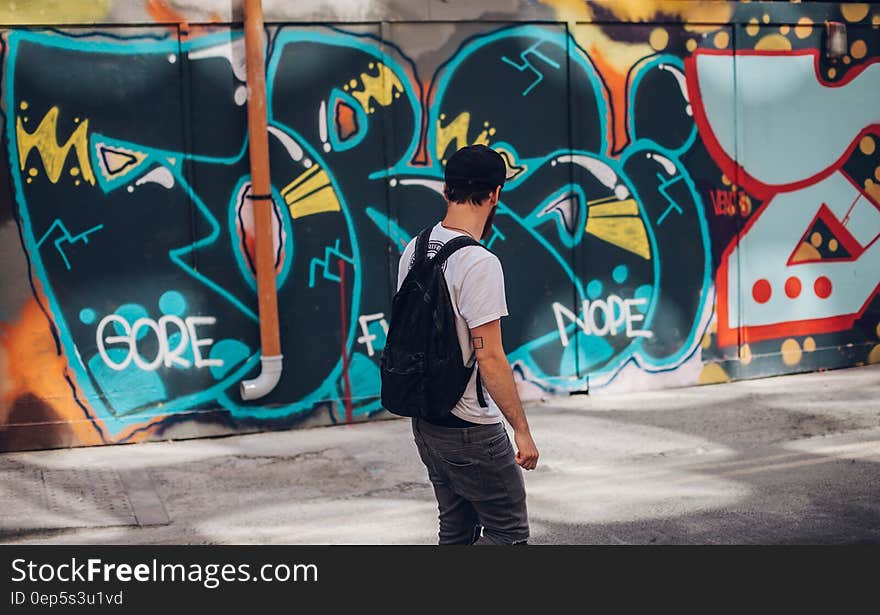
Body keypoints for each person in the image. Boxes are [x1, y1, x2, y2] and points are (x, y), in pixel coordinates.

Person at [396, 144, 540, 545]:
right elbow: (489, 357)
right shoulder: (479, 263)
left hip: (427, 422)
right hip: (470, 429)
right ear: (495, 194)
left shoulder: (416, 247)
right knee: (508, 533)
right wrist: (521, 431)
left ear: (447, 190)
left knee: (456, 529)